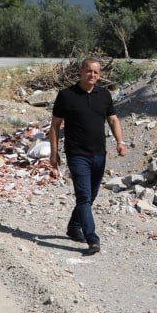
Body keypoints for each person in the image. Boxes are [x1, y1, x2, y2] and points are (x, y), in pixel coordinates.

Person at [47, 57, 127, 256]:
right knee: (83, 196)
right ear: (81, 71)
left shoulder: (104, 95)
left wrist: (120, 141)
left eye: (96, 72)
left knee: (90, 197)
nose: (92, 75)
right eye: (89, 71)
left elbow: (113, 119)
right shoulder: (66, 95)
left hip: (99, 154)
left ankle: (74, 227)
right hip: (77, 154)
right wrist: (53, 154)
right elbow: (55, 126)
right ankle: (92, 238)